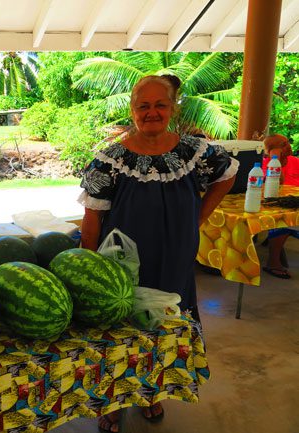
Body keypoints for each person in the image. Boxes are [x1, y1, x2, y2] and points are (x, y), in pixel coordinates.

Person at [78, 75, 238, 433]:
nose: (152, 112)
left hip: (175, 258)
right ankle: (114, 400)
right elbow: (92, 216)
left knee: (166, 328)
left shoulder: (195, 152)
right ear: (133, 111)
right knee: (120, 331)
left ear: (172, 108)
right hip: (122, 264)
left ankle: (153, 393)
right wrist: (86, 267)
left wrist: (198, 217)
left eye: (160, 105)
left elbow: (226, 176)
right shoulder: (111, 159)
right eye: (143, 106)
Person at [261, 134, 299, 279]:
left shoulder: (295, 161)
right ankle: (273, 262)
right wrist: (275, 159)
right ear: (272, 149)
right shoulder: (265, 164)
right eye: (284, 144)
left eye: (287, 142)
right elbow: (277, 183)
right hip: (279, 206)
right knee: (282, 219)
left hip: (296, 202)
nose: (288, 145)